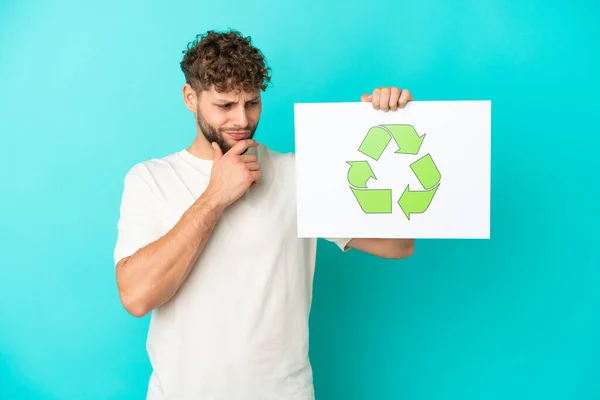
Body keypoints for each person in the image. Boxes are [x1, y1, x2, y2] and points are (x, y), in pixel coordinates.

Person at [113, 29, 415, 400]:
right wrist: (215, 197)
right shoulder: (150, 179)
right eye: (225, 105)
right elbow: (137, 296)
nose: (242, 119)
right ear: (190, 98)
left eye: (252, 103)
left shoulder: (297, 175)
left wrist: (389, 126)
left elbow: (399, 244)